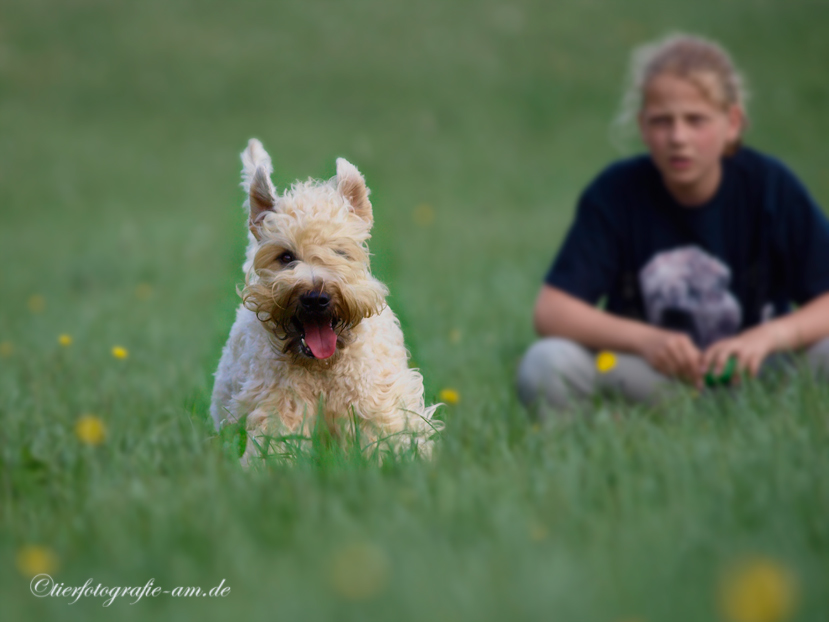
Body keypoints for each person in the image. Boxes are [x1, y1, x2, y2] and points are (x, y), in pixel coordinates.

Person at [516, 33, 829, 414]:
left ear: (732, 123)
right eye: (662, 121)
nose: (678, 137)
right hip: (648, 380)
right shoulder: (615, 193)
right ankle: (610, 443)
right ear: (643, 127)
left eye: (696, 120)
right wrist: (646, 340)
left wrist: (767, 338)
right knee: (546, 363)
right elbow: (552, 311)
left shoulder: (770, 187)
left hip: (758, 375)